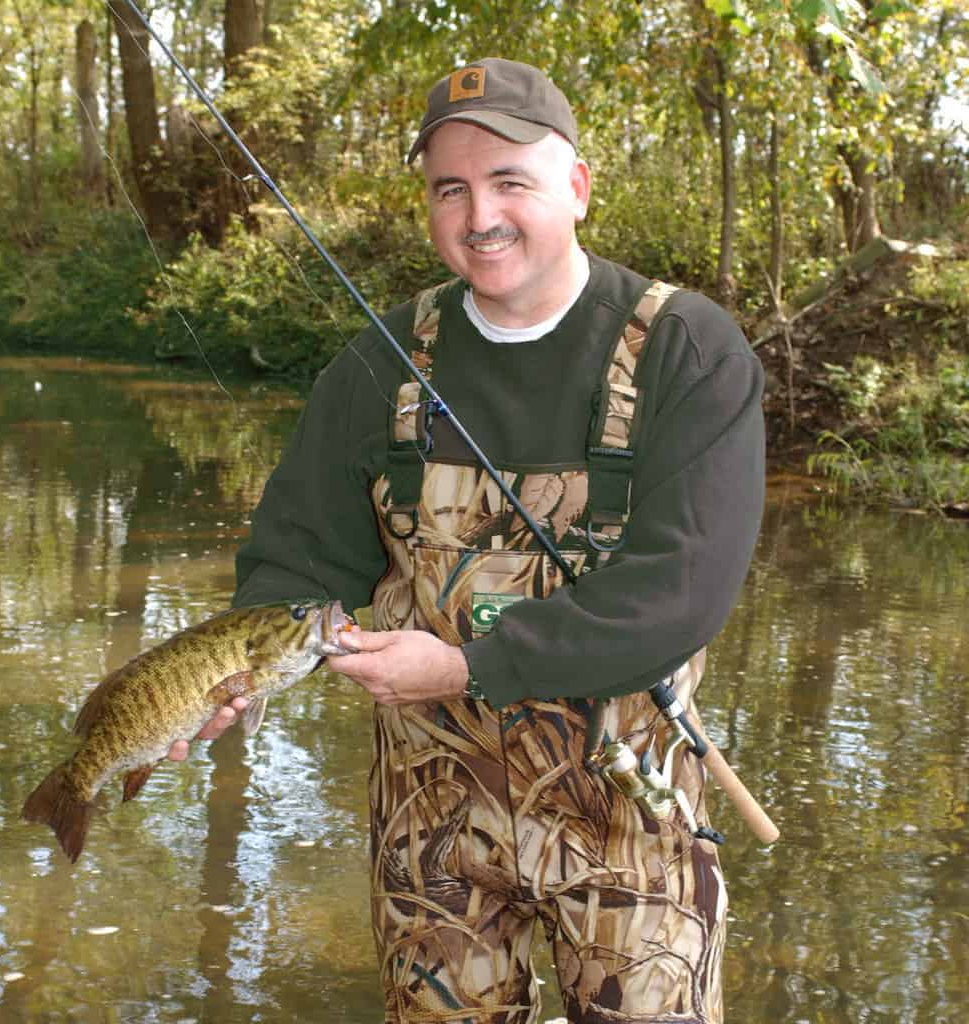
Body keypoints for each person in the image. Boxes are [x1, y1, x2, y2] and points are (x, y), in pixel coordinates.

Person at [172, 57, 765, 1023]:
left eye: (510, 181)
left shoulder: (688, 351)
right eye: (451, 188)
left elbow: (679, 595)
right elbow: (295, 562)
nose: (479, 214)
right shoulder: (378, 363)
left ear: (576, 186)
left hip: (628, 818)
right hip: (429, 829)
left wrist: (470, 665)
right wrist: (226, 675)